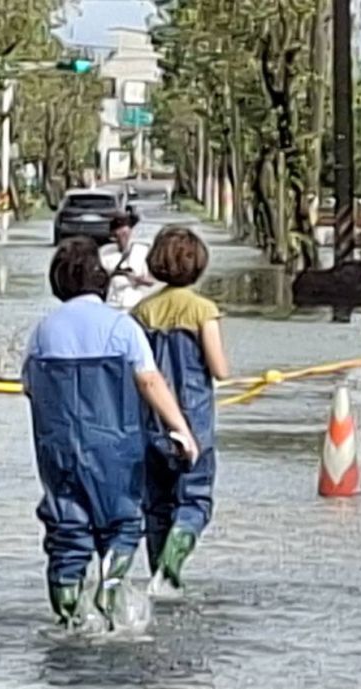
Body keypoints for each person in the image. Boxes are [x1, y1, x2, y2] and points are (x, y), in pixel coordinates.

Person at [23, 236, 198, 630]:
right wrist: (181, 430)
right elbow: (150, 382)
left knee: (66, 528)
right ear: (101, 282)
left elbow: (29, 385)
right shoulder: (122, 327)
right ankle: (112, 587)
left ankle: (68, 614)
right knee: (122, 522)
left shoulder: (42, 332)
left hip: (59, 449)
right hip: (116, 447)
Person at [133, 226, 230, 594]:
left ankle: (159, 573)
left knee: (156, 506)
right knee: (195, 497)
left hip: (150, 424)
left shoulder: (141, 312)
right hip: (195, 422)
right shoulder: (203, 310)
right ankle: (177, 554)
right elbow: (219, 368)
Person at [99, 209, 156, 311]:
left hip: (134, 304)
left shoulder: (140, 251)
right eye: (118, 235)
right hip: (112, 304)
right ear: (113, 237)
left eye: (125, 234)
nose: (123, 238)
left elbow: (152, 281)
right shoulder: (105, 252)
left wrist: (139, 280)